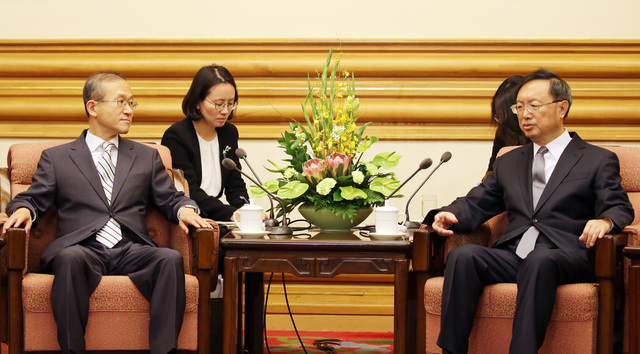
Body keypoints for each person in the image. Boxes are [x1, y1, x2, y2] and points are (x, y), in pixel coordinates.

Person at [423, 69, 634, 354]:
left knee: (540, 259)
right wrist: (448, 213)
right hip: (515, 255)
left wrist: (605, 220)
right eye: (519, 107)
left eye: (534, 106)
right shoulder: (510, 161)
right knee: (464, 255)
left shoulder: (595, 159)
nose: (525, 114)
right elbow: (479, 201)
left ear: (562, 108)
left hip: (566, 253)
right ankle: (451, 350)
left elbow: (619, 205)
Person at [1, 71, 211, 354]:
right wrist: (24, 208)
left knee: (169, 259)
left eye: (132, 103)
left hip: (130, 248)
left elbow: (169, 197)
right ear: (93, 106)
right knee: (69, 258)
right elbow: (33, 197)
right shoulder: (58, 158)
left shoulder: (146, 156)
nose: (128, 110)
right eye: (121, 101)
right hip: (81, 248)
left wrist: (185, 208)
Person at [162, 65, 249, 221]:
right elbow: (189, 191)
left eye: (230, 103)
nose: (225, 111)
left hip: (218, 216)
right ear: (197, 102)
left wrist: (247, 209)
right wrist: (231, 214)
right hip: (192, 218)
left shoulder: (229, 133)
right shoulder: (177, 136)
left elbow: (235, 183)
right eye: (218, 103)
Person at [486, 75, 529, 177]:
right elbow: (491, 173)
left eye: (503, 118)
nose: (499, 122)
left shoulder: (541, 136)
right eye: (497, 117)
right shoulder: (502, 133)